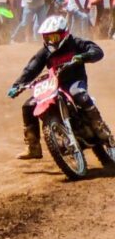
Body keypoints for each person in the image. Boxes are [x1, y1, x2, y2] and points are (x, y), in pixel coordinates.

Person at [8, 16, 111, 159]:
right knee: (28, 106)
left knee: (79, 94)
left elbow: (97, 51)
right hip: (54, 85)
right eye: (47, 38)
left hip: (75, 81)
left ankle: (99, 127)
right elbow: (31, 69)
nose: (51, 41)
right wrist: (17, 85)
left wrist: (84, 56)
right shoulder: (44, 51)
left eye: (55, 37)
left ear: (64, 34)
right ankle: (33, 147)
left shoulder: (75, 43)